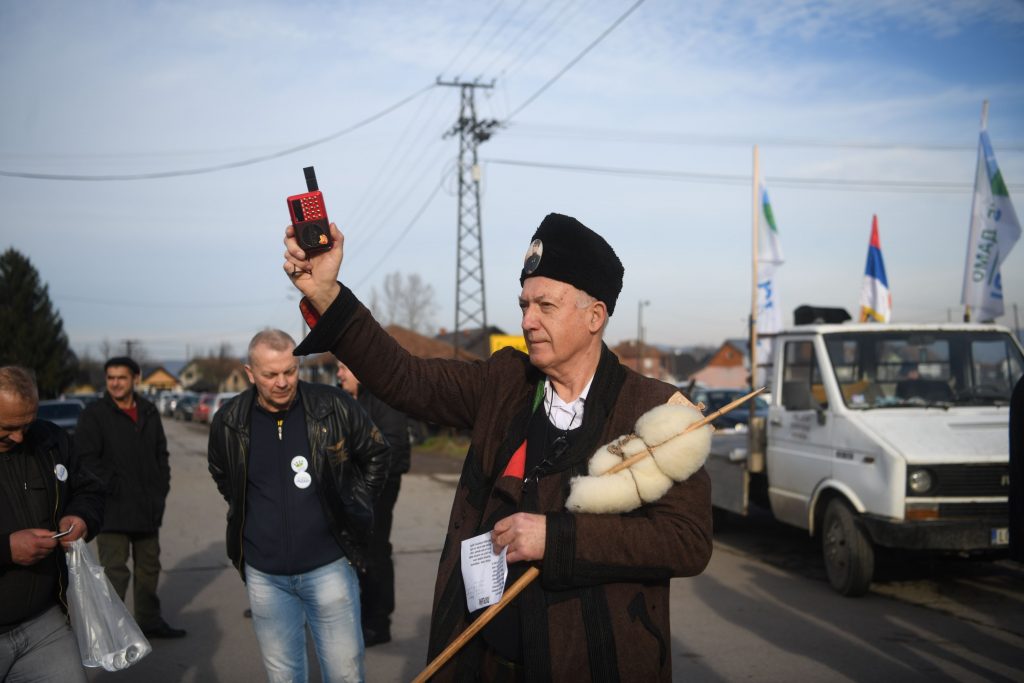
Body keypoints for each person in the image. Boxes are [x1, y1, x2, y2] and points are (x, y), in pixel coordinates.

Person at [282, 213, 713, 681]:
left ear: (595, 315)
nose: (527, 320)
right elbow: (405, 377)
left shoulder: (655, 411)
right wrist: (325, 293)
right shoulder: (505, 382)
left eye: (545, 305)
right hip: (485, 662)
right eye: (524, 303)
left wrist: (557, 539)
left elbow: (686, 541)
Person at [207, 329, 391, 683]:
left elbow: (377, 454)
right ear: (250, 373)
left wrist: (355, 502)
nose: (281, 382)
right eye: (270, 374)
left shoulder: (334, 406)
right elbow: (222, 473)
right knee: (285, 677)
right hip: (265, 577)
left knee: (345, 674)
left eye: (289, 372)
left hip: (330, 567)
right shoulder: (229, 421)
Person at [0, 366, 104, 681]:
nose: (19, 437)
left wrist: (81, 518)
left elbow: (90, 489)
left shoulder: (50, 440)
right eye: (8, 427)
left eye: (26, 424)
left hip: (44, 624)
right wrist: (6, 549)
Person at [74, 356, 185, 639]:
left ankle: (149, 621)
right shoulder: (94, 414)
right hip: (113, 509)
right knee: (114, 572)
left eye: (121, 377)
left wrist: (161, 487)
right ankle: (112, 631)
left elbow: (161, 453)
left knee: (149, 568)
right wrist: (115, 486)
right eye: (110, 377)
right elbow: (86, 460)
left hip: (148, 508)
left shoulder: (148, 410)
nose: (115, 383)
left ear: (135, 378)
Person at [336, 360, 410, 647]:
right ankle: (360, 614)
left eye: (344, 368)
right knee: (355, 550)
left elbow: (392, 448)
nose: (339, 374)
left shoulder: (383, 400)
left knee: (375, 551)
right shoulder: (347, 397)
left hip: (380, 488)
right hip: (353, 487)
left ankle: (378, 624)